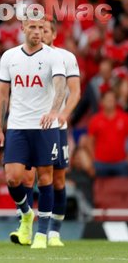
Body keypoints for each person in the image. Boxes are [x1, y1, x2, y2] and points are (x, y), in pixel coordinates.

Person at [0, 15, 66, 249]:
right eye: (32, 27)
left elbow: (60, 86)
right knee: (13, 177)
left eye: (41, 28)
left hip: (45, 127)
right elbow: (2, 94)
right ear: (23, 28)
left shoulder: (53, 56)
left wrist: (54, 111)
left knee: (45, 178)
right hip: (17, 126)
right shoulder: (9, 56)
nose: (37, 31)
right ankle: (26, 214)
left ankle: (42, 235)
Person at [9, 18, 81, 247]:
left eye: (46, 30)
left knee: (58, 180)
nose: (41, 33)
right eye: (37, 28)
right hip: (29, 125)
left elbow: (75, 92)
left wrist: (63, 114)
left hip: (56, 128)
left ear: (53, 34)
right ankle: (26, 228)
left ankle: (54, 232)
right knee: (27, 177)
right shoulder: (20, 57)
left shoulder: (65, 58)